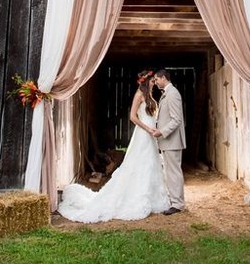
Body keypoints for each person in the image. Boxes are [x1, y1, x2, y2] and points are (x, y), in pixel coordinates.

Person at [57, 70, 170, 222]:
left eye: (155, 81)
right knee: (140, 164)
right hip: (143, 134)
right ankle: (135, 196)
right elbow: (132, 117)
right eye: (152, 80)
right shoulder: (139, 95)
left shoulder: (150, 96)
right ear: (145, 81)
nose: (154, 82)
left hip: (151, 136)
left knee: (151, 164)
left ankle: (153, 196)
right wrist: (148, 129)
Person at [152, 68, 186, 215]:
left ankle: (178, 204)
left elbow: (177, 119)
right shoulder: (167, 93)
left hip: (172, 141)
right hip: (168, 142)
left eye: (157, 79)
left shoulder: (173, 94)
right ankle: (174, 201)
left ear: (164, 78)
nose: (155, 81)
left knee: (173, 172)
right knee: (170, 172)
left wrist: (162, 131)